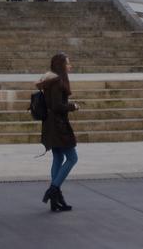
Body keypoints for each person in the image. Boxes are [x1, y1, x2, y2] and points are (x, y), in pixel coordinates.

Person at [38, 51, 79, 212]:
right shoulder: (56, 82)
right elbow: (57, 106)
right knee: (72, 158)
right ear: (61, 65)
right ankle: (53, 190)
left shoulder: (51, 80)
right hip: (58, 126)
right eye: (68, 63)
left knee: (58, 157)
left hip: (50, 125)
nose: (70, 66)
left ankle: (55, 199)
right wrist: (73, 106)